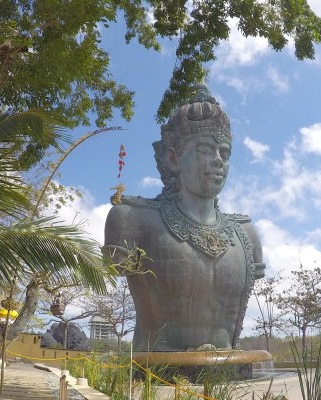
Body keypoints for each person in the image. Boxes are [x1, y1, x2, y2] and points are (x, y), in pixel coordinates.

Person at [103, 85, 265, 351]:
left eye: (224, 153)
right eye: (205, 149)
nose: (218, 160)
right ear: (173, 158)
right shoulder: (132, 219)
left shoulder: (245, 233)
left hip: (229, 372)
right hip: (156, 377)